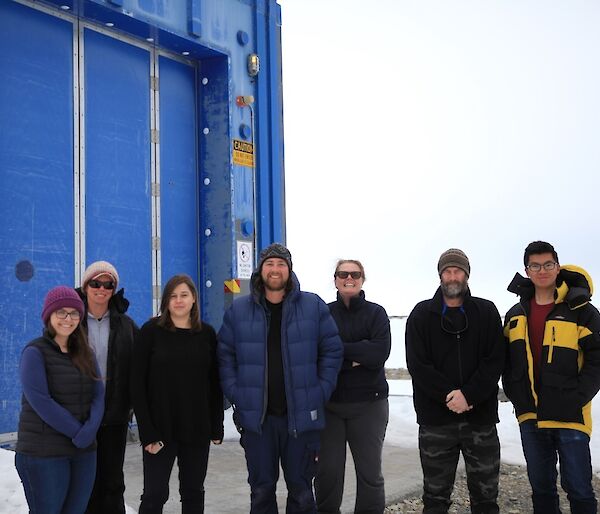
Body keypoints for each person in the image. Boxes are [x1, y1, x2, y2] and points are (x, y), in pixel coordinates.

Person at [218, 243, 343, 514]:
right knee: (261, 490)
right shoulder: (239, 311)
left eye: (281, 265)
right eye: (270, 264)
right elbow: (225, 356)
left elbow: (332, 350)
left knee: (301, 490)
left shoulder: (312, 306)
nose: (275, 270)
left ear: (289, 270)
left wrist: (320, 391)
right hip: (257, 422)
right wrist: (236, 392)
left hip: (301, 419)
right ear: (260, 270)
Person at [503, 241, 600, 514]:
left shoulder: (581, 310)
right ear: (527, 270)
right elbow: (506, 364)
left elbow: (597, 360)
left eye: (548, 264)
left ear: (557, 268)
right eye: (535, 265)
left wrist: (578, 397)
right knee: (542, 489)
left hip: (571, 416)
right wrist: (517, 396)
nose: (542, 270)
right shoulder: (515, 315)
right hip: (531, 417)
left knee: (579, 488)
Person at [405, 249, 505, 514]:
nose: (452, 276)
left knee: (485, 498)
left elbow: (494, 360)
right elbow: (418, 364)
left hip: (479, 420)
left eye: (458, 271)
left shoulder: (486, 312)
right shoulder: (421, 314)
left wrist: (469, 395)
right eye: (447, 271)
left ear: (467, 275)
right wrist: (448, 395)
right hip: (436, 421)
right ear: (440, 276)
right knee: (435, 498)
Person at [131, 274, 224, 514]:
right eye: (173, 296)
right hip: (160, 429)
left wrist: (216, 426)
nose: (179, 300)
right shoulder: (151, 331)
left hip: (196, 429)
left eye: (184, 295)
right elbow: (137, 384)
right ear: (165, 301)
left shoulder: (207, 334)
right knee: (154, 494)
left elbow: (215, 385)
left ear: (194, 298)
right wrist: (147, 432)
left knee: (193, 493)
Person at [15, 286, 105, 513]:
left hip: (83, 452)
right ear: (49, 316)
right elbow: (41, 402)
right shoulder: (35, 352)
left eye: (74, 313)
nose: (68, 318)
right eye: (61, 312)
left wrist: (90, 430)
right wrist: (78, 432)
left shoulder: (86, 352)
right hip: (44, 454)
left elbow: (99, 394)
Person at [315, 259, 391, 514]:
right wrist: (357, 355)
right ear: (335, 278)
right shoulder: (323, 314)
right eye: (343, 273)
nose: (349, 277)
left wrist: (339, 352)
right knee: (328, 474)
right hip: (330, 406)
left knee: (370, 474)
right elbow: (317, 355)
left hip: (370, 404)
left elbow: (379, 353)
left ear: (362, 278)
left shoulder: (376, 313)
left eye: (355, 273)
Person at [77, 261, 138, 514]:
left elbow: (142, 367)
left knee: (113, 484)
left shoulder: (126, 326)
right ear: (85, 286)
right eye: (95, 283)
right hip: (79, 418)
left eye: (108, 284)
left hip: (114, 417)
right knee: (85, 484)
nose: (101, 288)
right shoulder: (71, 321)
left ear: (114, 289)